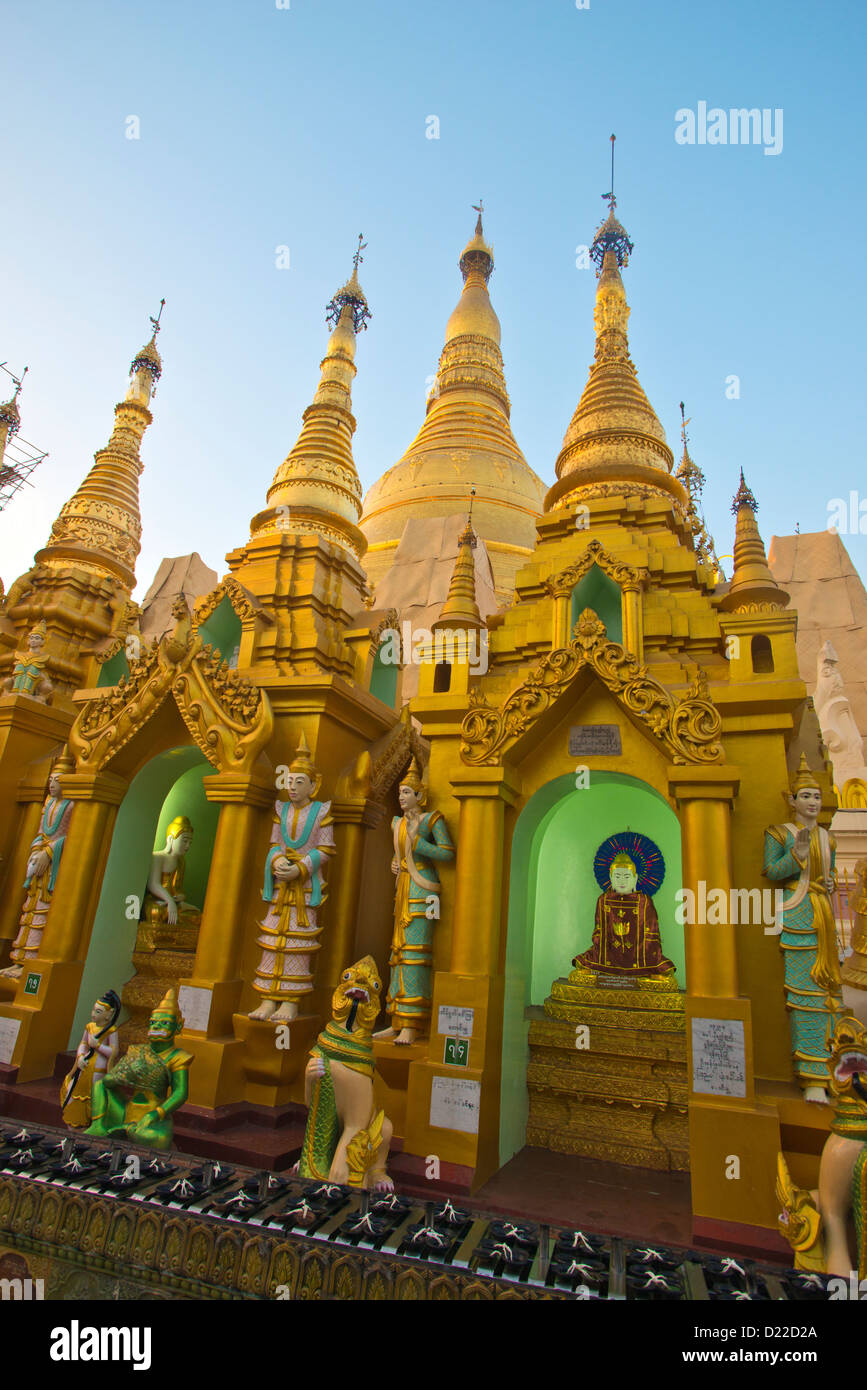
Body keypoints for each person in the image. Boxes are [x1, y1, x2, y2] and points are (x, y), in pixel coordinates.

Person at [763, 755, 844, 1103]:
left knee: (829, 994)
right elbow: (771, 871)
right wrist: (795, 856)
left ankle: (836, 1067)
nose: (812, 803)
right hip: (796, 915)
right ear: (792, 800)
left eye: (817, 797)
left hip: (821, 915)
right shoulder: (779, 833)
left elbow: (831, 877)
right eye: (806, 796)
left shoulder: (828, 838)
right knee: (802, 993)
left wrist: (831, 885)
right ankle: (811, 1073)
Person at [248, 732, 335, 1023]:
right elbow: (275, 843)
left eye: (300, 782)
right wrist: (278, 860)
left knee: (298, 941)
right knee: (273, 939)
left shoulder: (321, 812)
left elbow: (324, 849)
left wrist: (300, 868)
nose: (293, 787)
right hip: (281, 886)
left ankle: (290, 1001)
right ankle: (267, 998)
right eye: (290, 782)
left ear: (314, 784)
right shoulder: (280, 810)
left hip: (304, 886)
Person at [374, 758, 454, 1045]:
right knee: (397, 951)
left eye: (407, 793)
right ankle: (394, 1017)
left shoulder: (432, 820)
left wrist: (420, 845)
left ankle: (413, 1022)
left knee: (416, 954)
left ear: (420, 796)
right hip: (403, 888)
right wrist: (395, 863)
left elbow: (447, 853)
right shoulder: (396, 824)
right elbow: (398, 855)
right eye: (399, 793)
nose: (401, 797)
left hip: (424, 891)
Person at [0, 761, 73, 979]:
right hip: (40, 866)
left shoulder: (72, 806)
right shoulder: (48, 804)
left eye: (57, 780)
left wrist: (49, 852)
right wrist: (36, 850)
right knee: (29, 910)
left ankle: (31, 963)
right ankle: (19, 960)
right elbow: (42, 832)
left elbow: (73, 837)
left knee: (43, 913)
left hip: (54, 867)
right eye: (50, 780)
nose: (52, 784)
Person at [574, 850, 674, 978]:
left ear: (635, 878)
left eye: (627, 877)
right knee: (580, 966)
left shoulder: (644, 901)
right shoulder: (603, 900)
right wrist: (600, 951)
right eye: (617, 876)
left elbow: (652, 934)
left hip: (639, 956)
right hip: (608, 955)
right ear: (610, 878)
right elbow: (599, 930)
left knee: (666, 972)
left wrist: (647, 955)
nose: (622, 881)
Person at [60, 989, 121, 1128]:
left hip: (98, 1070)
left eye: (98, 1012)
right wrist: (80, 1056)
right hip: (84, 1067)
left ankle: (90, 1125)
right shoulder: (90, 1027)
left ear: (109, 1014)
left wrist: (98, 1045)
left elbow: (114, 1051)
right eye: (94, 1010)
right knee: (73, 1092)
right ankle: (74, 1122)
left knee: (93, 1098)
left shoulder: (111, 1031)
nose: (93, 1014)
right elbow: (83, 1044)